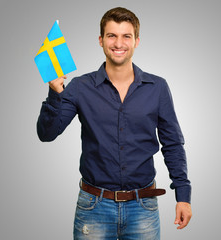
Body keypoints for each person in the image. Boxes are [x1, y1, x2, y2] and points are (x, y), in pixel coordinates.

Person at [37, 7, 192, 239]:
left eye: (126, 36)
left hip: (143, 207)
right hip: (94, 207)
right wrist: (55, 93)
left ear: (137, 41)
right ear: (101, 40)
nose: (118, 43)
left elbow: (172, 144)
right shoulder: (80, 87)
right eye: (112, 35)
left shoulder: (158, 87)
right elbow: (47, 133)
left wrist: (183, 196)